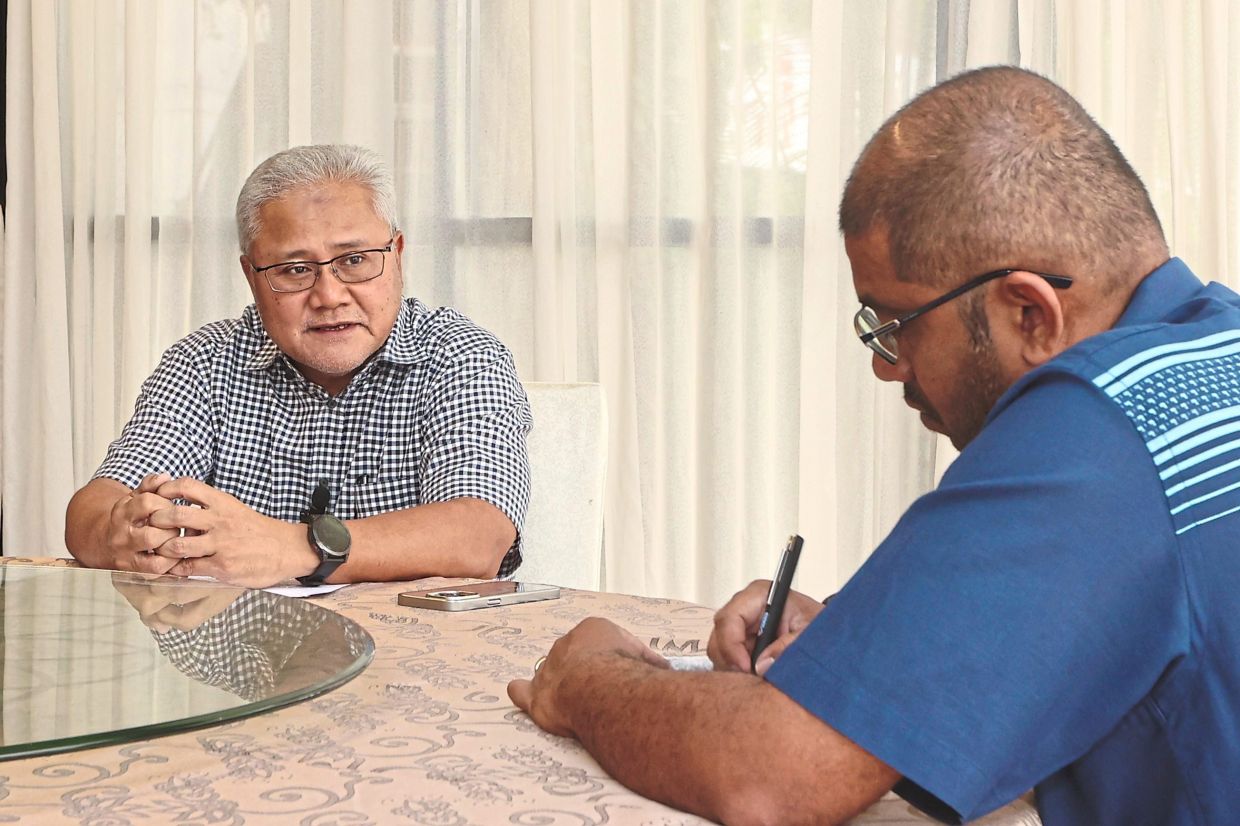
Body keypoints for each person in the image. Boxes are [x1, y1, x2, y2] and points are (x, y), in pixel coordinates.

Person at [508, 66, 1240, 825]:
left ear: (1030, 312)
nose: (885, 365)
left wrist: (590, 678)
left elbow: (773, 777)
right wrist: (876, 650)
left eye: (895, 324)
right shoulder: (1211, 353)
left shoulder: (1097, 424)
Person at [66, 145, 531, 589]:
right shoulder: (203, 362)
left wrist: (293, 547)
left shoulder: (461, 354)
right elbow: (91, 510)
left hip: (412, 656)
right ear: (251, 276)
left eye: (354, 260)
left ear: (398, 254)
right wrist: (122, 534)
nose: (329, 296)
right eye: (294, 270)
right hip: (237, 660)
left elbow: (479, 536)